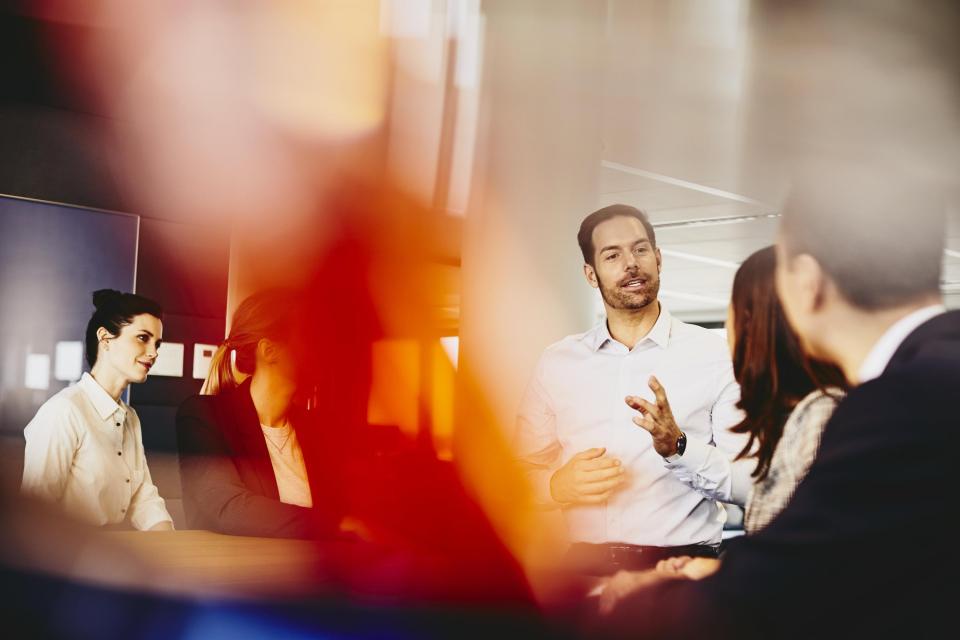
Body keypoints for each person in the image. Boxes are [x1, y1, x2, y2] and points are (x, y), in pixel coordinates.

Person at [595, 169, 956, 638]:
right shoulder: (930, 377)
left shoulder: (894, 408)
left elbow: (777, 598)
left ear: (807, 281)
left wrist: (626, 602)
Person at [515, 204, 752, 576]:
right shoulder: (557, 362)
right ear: (591, 275)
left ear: (658, 259)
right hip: (584, 573)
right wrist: (556, 486)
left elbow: (746, 483)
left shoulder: (715, 354)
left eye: (640, 250)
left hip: (683, 571)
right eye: (613, 255)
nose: (631, 263)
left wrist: (680, 448)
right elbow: (515, 476)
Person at [616, 246, 849, 583]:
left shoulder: (819, 418)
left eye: (734, 311)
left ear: (757, 322)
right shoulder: (798, 416)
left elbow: (812, 565)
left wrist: (712, 575)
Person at [176, 288, 346, 538]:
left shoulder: (315, 429)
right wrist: (336, 526)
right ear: (269, 351)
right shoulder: (203, 416)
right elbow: (227, 508)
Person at [21, 289, 174, 531]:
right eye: (143, 338)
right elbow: (36, 513)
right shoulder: (64, 412)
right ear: (105, 338)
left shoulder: (130, 419)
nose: (154, 353)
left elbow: (143, 498)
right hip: (66, 558)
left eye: (157, 344)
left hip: (110, 555)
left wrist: (171, 546)